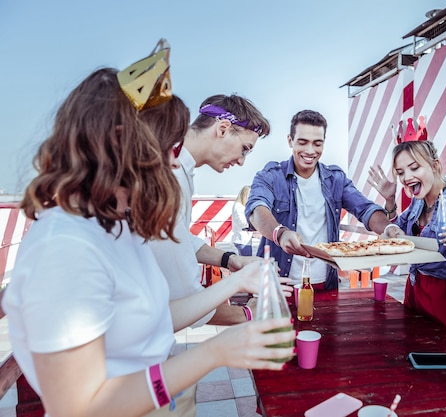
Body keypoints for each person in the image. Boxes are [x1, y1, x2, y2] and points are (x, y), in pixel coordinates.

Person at [1, 54, 294, 416]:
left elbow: (158, 316)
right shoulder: (66, 246)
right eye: (171, 147)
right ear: (122, 144)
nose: (175, 163)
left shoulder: (116, 225)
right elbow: (81, 407)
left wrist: (235, 281)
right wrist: (216, 351)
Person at [148, 94, 274, 326]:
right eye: (245, 149)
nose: (241, 161)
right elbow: (185, 299)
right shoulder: (172, 176)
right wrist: (247, 314)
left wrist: (230, 260)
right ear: (223, 129)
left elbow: (179, 238)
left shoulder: (182, 170)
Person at [246, 109, 400, 290]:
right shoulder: (271, 175)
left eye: (317, 143)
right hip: (278, 284)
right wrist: (281, 233)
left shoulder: (336, 179)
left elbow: (365, 209)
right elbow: (256, 209)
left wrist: (388, 227)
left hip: (325, 283)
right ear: (290, 140)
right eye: (303, 142)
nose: (310, 151)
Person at [368, 139, 446, 338]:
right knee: (412, 353)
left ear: (435, 166)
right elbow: (395, 233)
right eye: (400, 172)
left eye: (414, 168)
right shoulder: (418, 202)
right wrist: (390, 201)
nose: (407, 177)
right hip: (415, 291)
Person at [231, 185, 254, 256]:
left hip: (243, 239)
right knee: (247, 263)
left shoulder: (240, 206)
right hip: (242, 240)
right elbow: (243, 223)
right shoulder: (238, 207)